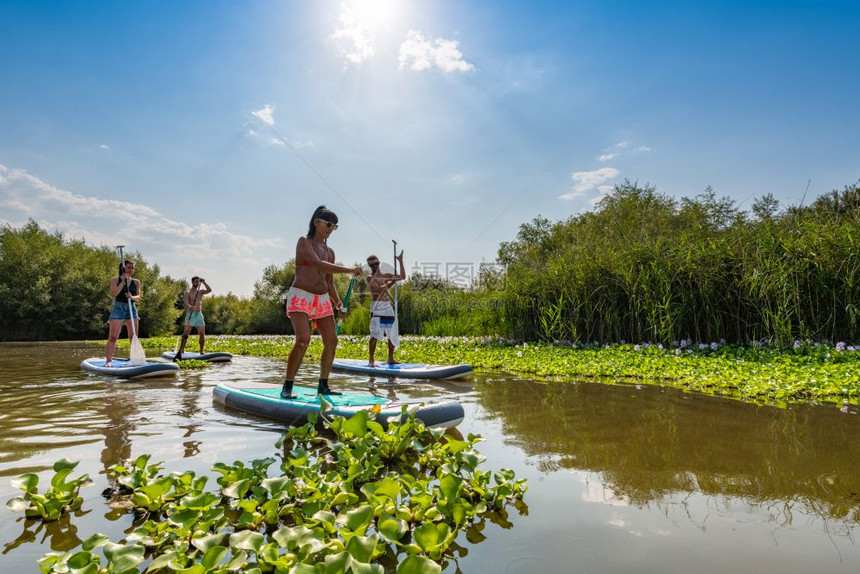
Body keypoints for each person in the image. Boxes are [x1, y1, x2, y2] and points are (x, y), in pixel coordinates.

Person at [281, 206, 362, 399]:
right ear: (316, 222)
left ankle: (323, 386)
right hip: (301, 295)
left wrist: (338, 303)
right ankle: (287, 386)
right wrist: (349, 269)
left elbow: (329, 282)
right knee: (303, 340)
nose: (331, 228)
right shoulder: (304, 242)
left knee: (332, 341)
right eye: (328, 224)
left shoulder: (330, 252)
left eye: (334, 226)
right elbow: (317, 263)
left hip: (322, 298)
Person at [366, 250, 405, 365]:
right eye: (372, 265)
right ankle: (371, 360)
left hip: (387, 306)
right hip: (377, 307)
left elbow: (402, 276)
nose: (375, 266)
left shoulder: (385, 274)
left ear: (379, 262)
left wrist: (401, 261)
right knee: (374, 334)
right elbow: (378, 289)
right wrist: (391, 282)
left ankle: (390, 358)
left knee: (391, 332)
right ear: (369, 266)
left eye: (376, 263)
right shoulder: (369, 277)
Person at [104, 259, 142, 367]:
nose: (131, 270)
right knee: (113, 337)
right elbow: (114, 293)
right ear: (123, 268)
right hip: (118, 307)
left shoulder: (136, 282)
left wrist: (132, 297)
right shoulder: (114, 280)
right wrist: (122, 281)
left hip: (131, 307)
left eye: (132, 268)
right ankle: (108, 360)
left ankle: (134, 359)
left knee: (133, 336)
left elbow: (138, 296)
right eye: (129, 267)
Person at [176, 277, 212, 358]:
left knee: (202, 333)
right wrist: (190, 306)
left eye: (198, 282)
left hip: (199, 315)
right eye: (196, 282)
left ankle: (201, 351)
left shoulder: (200, 292)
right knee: (186, 334)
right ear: (192, 282)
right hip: (191, 315)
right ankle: (182, 350)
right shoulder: (188, 292)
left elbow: (209, 290)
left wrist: (204, 282)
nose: (197, 283)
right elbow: (185, 303)